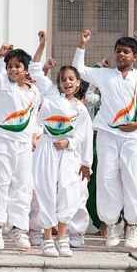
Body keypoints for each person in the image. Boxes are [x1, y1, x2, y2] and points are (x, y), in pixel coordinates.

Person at [73, 29, 137, 249]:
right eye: (118, 51)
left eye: (126, 52)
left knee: (134, 178)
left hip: (134, 136)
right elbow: (79, 70)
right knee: (107, 178)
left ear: (134, 56)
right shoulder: (105, 75)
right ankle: (112, 224)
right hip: (108, 134)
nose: (121, 55)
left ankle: (133, 225)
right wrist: (82, 44)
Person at [0, 34, 45, 251]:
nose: (13, 69)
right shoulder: (1, 83)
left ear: (25, 69)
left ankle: (19, 229)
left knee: (23, 186)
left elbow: (34, 118)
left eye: (17, 66)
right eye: (9, 66)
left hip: (23, 145)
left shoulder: (34, 91)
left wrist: (35, 135)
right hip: (2, 141)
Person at [29, 51, 94, 257]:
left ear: (78, 83)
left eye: (71, 79)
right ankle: (47, 238)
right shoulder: (50, 94)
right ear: (58, 82)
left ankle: (63, 238)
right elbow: (34, 69)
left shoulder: (81, 109)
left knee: (68, 191)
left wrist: (84, 161)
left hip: (68, 153)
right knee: (46, 191)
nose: (67, 82)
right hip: (46, 148)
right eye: (63, 79)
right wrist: (41, 45)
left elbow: (84, 136)